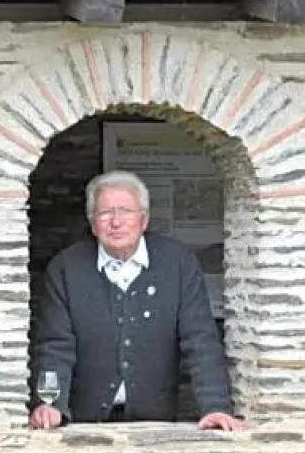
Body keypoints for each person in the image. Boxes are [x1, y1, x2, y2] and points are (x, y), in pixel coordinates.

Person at [29, 170, 244, 432]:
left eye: (126, 211)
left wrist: (215, 407)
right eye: (105, 213)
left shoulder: (177, 263)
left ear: (144, 220)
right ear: (93, 223)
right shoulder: (66, 268)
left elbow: (200, 340)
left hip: (156, 421)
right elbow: (54, 346)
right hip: (83, 422)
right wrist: (50, 404)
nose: (116, 222)